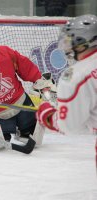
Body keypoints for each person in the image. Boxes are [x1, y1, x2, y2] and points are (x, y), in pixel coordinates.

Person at [36, 14, 97, 166]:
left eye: (70, 39)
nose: (67, 44)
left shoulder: (76, 76)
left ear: (82, 43)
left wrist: (47, 116)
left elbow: (70, 125)